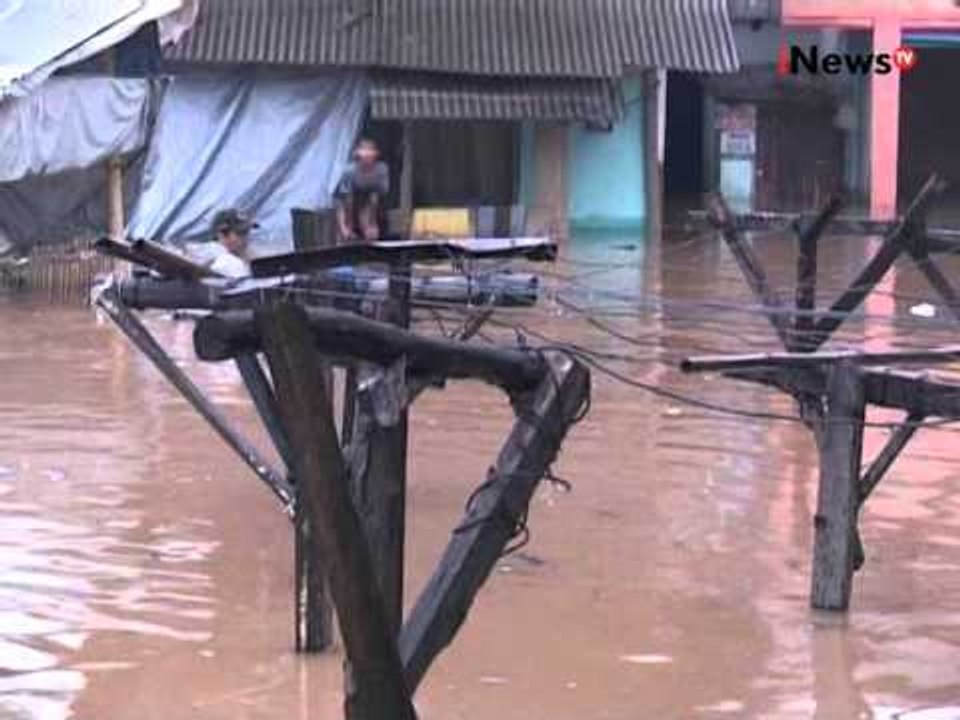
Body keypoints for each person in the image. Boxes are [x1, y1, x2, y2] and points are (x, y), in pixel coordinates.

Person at [335, 138, 389, 243]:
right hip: (346, 204)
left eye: (370, 152)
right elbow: (343, 202)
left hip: (368, 203)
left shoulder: (381, 170)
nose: (367, 157)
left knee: (372, 235)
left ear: (376, 154)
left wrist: (372, 223)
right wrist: (345, 227)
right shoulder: (350, 172)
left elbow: (375, 198)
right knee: (346, 236)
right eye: (364, 152)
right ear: (358, 155)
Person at [209, 208, 256, 278]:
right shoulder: (223, 266)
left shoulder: (256, 254)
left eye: (246, 231)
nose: (245, 237)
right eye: (240, 232)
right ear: (221, 236)